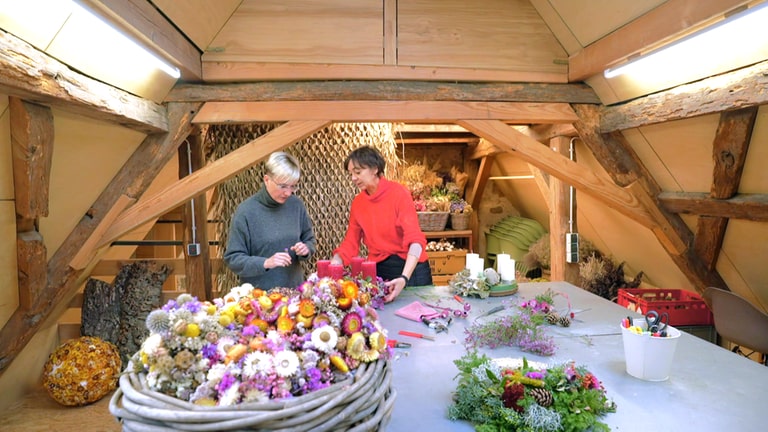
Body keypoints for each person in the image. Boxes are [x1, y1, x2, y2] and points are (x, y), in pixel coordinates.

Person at [331, 146, 432, 302]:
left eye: (358, 172)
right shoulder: (358, 203)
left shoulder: (399, 193)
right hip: (380, 270)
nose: (353, 178)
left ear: (375, 169)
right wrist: (334, 264)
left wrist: (404, 277)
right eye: (351, 174)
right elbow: (350, 244)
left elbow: (416, 240)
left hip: (411, 269)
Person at [224, 151, 317, 290]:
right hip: (259, 299)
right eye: (283, 186)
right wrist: (266, 262)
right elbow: (233, 259)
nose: (288, 192)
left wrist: (305, 249)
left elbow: (310, 240)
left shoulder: (296, 205)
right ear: (266, 180)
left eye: (293, 186)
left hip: (294, 296)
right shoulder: (246, 211)